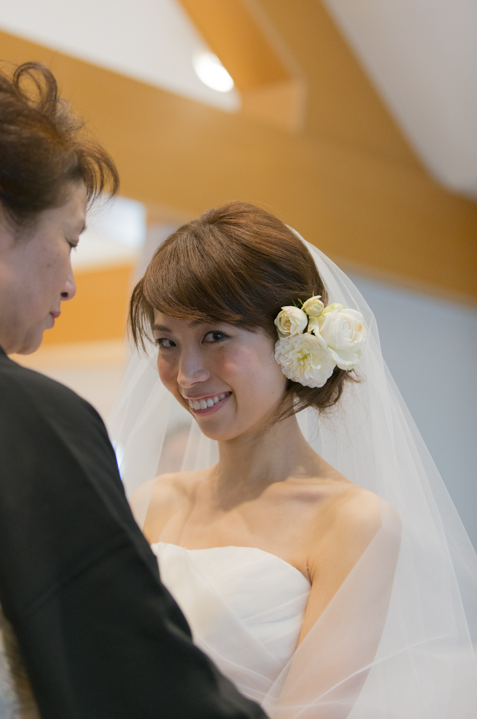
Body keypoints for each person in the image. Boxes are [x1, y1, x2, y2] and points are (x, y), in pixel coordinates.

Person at [0, 60, 268, 719]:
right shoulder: (17, 418)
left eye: (215, 337)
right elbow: (135, 676)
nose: (70, 282)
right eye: (70, 239)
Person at [112, 202, 477, 718]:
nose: (187, 374)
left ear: (291, 340)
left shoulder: (352, 523)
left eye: (215, 336)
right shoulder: (153, 502)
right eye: (168, 342)